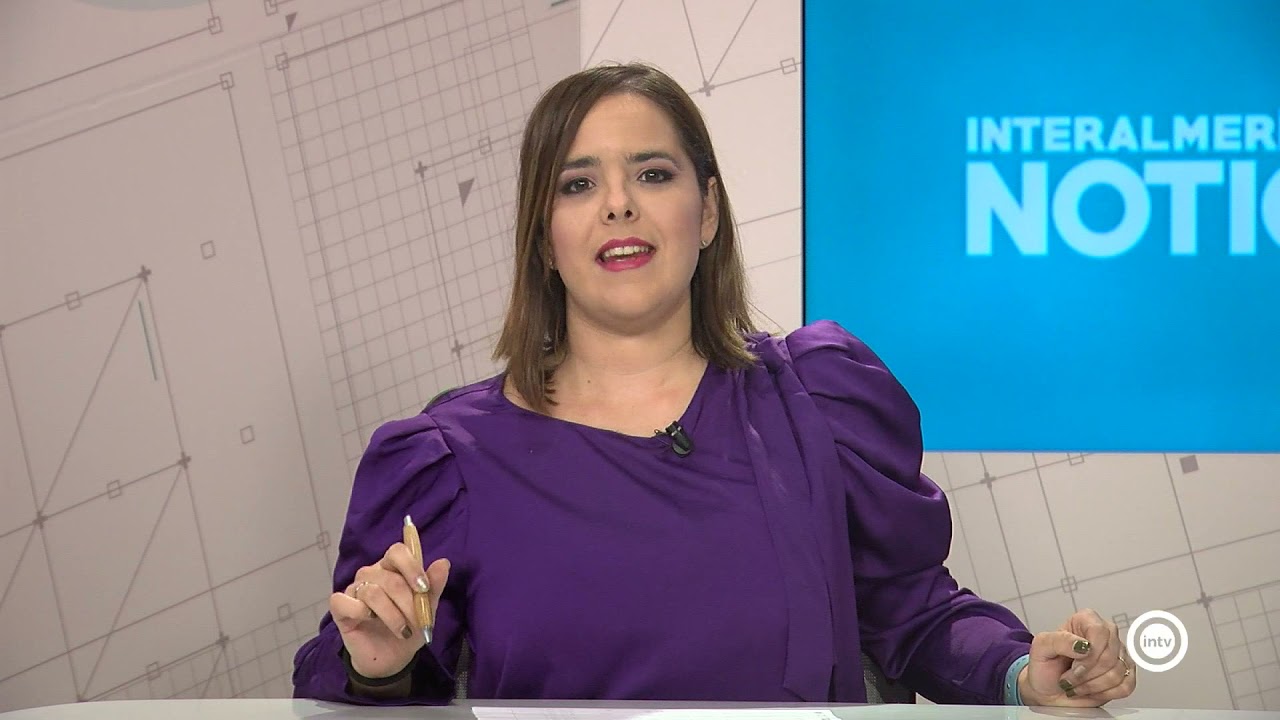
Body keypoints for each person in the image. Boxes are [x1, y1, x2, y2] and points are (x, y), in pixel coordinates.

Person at [292, 62, 1137, 707]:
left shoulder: (818, 401)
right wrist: (379, 668)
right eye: (578, 184)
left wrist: (1022, 673)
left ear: (707, 211)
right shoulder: (447, 461)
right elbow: (369, 683)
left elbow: (912, 615)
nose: (618, 205)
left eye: (653, 174)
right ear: (544, 240)